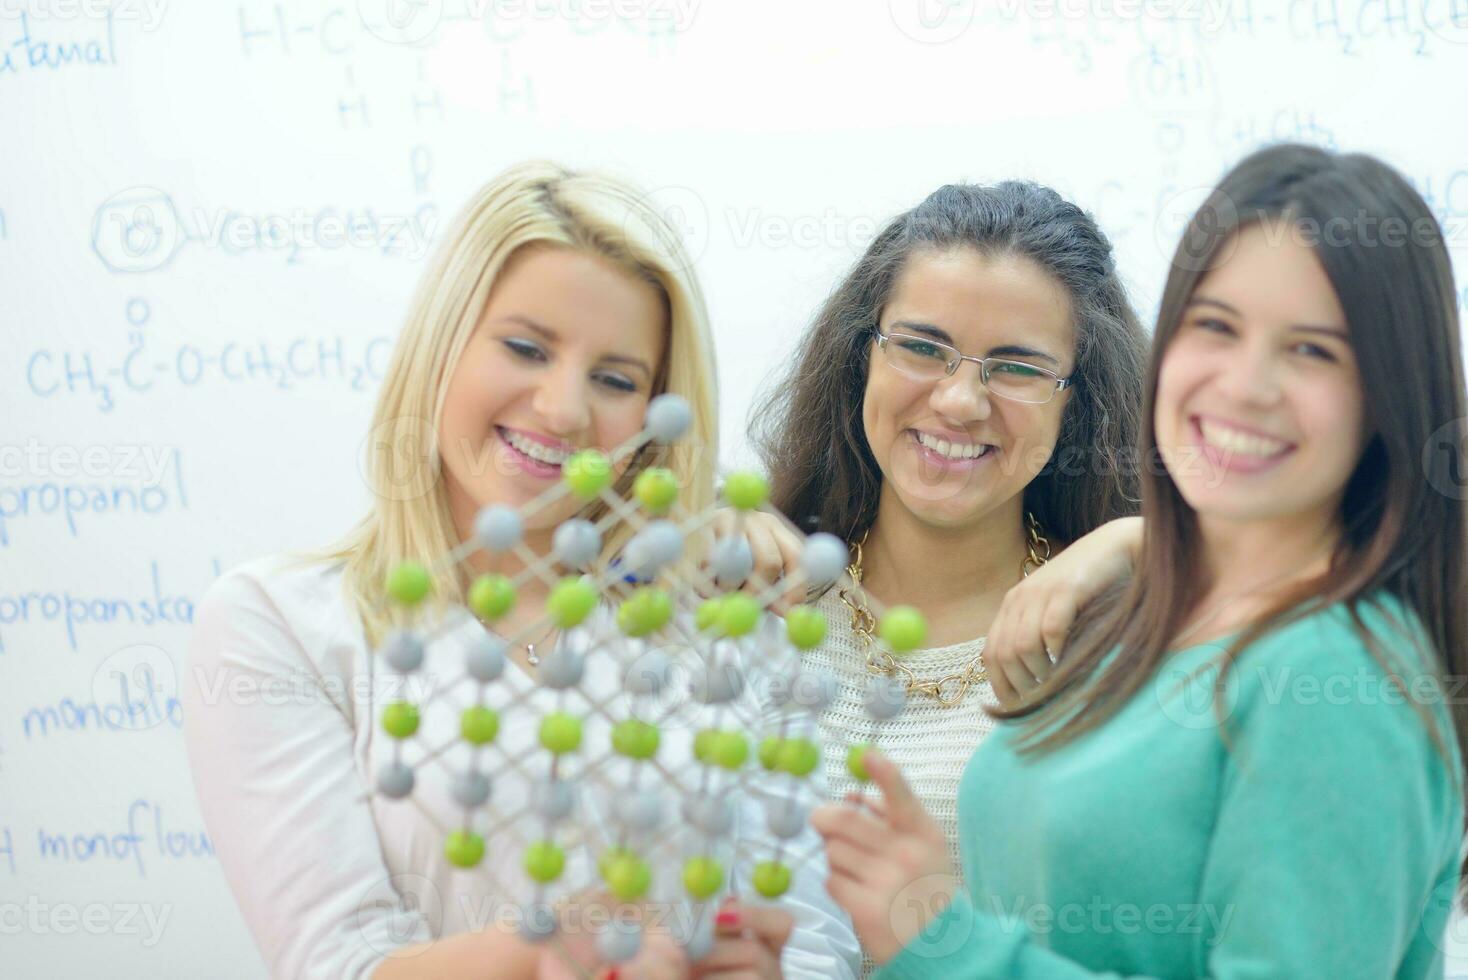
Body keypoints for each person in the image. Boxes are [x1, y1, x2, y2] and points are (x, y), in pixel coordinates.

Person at [182, 161, 857, 980]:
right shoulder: (282, 624)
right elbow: (337, 965)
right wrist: (549, 945)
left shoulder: (718, 614)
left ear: (653, 417)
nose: (564, 409)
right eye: (526, 348)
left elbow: (813, 945)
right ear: (443, 344)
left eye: (616, 379)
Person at [815, 143, 1468, 977]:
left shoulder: (1339, 676)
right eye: (1216, 327)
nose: (1244, 384)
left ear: (1389, 396)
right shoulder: (1160, 618)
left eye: (1312, 351)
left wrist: (947, 944)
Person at [735, 180, 1149, 906]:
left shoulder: (1121, 643)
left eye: (1018, 367)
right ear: (860, 355)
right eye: (923, 348)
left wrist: (1147, 545)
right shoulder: (756, 593)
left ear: (1078, 403)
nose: (960, 402)